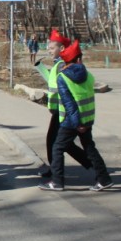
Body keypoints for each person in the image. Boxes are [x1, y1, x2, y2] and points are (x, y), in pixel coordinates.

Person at [39, 40, 113, 191]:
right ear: (79, 59)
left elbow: (69, 103)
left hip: (71, 120)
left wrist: (77, 123)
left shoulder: (63, 77)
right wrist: (83, 123)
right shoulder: (89, 75)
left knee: (57, 148)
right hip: (87, 118)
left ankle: (57, 182)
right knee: (89, 148)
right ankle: (104, 179)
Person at [38, 29, 92, 179]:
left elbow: (66, 88)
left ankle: (58, 173)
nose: (49, 51)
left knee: (57, 142)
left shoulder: (63, 64)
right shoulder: (59, 64)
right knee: (60, 142)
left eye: (51, 48)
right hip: (60, 109)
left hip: (64, 110)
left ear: (61, 48)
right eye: (48, 48)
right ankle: (89, 163)